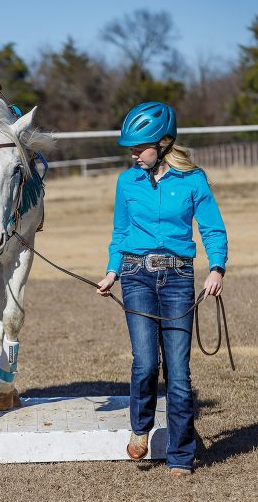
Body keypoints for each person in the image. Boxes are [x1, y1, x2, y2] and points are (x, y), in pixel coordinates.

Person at [97, 102, 228, 477]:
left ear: (165, 143)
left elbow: (213, 229)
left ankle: (181, 455)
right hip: (136, 275)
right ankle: (141, 427)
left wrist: (216, 268)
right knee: (145, 363)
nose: (134, 155)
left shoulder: (193, 180)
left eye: (140, 148)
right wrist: (112, 272)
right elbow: (120, 233)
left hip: (177, 280)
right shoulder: (126, 182)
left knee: (179, 372)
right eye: (132, 149)